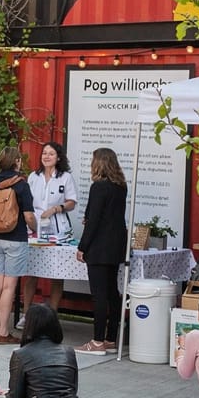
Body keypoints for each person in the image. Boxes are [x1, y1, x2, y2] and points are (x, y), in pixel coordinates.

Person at [76, 146, 129, 353]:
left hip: (99, 245)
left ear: (98, 164)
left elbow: (94, 220)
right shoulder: (120, 185)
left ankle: (97, 341)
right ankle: (110, 339)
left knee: (99, 295)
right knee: (112, 293)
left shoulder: (98, 187)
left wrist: (82, 246)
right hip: (116, 244)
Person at [21, 141, 78, 320]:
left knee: (56, 272)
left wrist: (56, 208)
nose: (46, 156)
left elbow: (72, 202)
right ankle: (26, 314)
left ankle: (52, 314)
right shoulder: (33, 176)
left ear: (58, 157)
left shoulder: (65, 177)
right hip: (34, 227)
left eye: (51, 153)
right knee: (32, 272)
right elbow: (26, 201)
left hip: (57, 228)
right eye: (44, 153)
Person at [0, 146, 36, 343]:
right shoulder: (21, 185)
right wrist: (35, 227)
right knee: (9, 286)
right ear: (17, 162)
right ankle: (5, 333)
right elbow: (29, 216)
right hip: (15, 238)